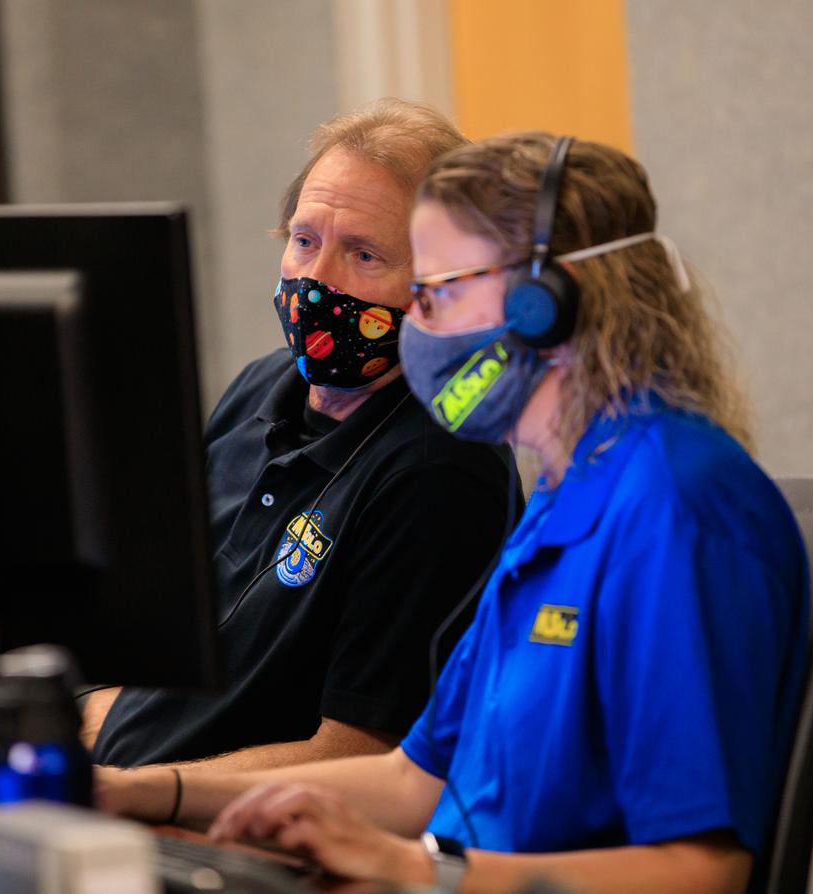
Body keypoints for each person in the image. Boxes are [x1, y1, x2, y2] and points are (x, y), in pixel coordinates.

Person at [100, 133, 809, 893]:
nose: (415, 326)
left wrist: (416, 870)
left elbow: (704, 874)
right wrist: (147, 792)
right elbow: (414, 782)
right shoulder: (561, 497)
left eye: (437, 294)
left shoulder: (676, 507)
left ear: (544, 307)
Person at [88, 99, 518, 770]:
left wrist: (141, 793)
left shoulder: (438, 469)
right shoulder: (260, 387)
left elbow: (359, 754)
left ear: (440, 287)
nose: (315, 281)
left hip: (234, 836)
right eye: (305, 239)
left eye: (365, 255)